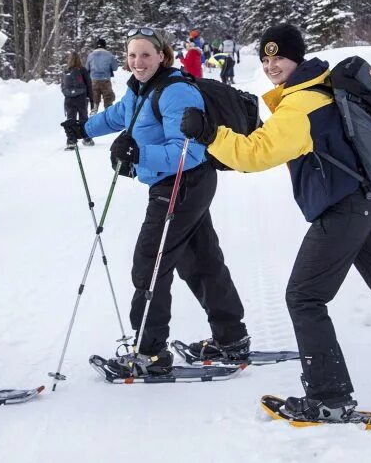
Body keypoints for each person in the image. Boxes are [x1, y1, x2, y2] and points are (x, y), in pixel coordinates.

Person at [179, 23, 371, 423]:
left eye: (279, 57)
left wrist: (210, 134)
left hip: (344, 210)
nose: (272, 65)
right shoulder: (328, 88)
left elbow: (255, 154)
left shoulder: (300, 104)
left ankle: (329, 397)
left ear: (298, 57)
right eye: (265, 58)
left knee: (305, 297)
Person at [62, 27, 249, 377]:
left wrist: (138, 152)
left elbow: (190, 150)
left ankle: (150, 352)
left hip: (182, 182)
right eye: (132, 55)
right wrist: (84, 128)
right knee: (201, 260)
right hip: (180, 184)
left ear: (162, 55)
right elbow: (119, 116)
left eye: (146, 54)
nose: (138, 62)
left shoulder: (175, 92)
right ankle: (231, 338)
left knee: (150, 262)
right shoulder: (141, 89)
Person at [62, 51, 95, 150]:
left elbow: (62, 86)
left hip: (68, 99)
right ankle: (86, 138)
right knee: (83, 118)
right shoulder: (83, 70)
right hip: (81, 98)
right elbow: (89, 85)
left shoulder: (66, 71)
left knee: (70, 119)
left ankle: (71, 141)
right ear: (79, 59)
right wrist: (92, 100)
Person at [86, 38, 119, 115]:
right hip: (105, 80)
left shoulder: (90, 55)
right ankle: (108, 115)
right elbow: (115, 68)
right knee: (108, 98)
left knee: (94, 99)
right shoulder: (109, 55)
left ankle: (94, 112)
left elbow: (87, 68)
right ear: (105, 45)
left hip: (94, 80)